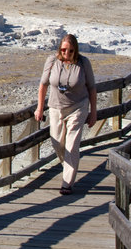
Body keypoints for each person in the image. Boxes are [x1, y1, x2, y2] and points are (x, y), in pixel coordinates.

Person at [34, 34, 97, 195]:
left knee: (72, 145)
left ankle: (67, 184)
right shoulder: (52, 61)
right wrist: (40, 108)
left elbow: (91, 88)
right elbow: (43, 85)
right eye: (63, 50)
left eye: (70, 50)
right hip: (55, 107)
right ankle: (70, 166)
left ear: (75, 50)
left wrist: (93, 112)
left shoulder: (83, 63)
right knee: (57, 143)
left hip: (78, 107)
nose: (66, 53)